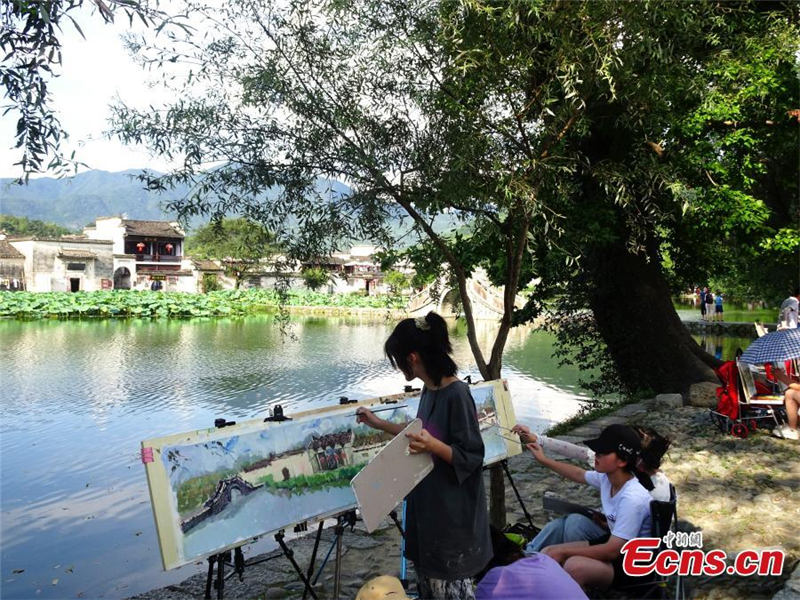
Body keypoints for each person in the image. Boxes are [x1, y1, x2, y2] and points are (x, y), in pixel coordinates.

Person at [356, 312, 491, 600]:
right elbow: (419, 435)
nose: (397, 366)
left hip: (452, 519)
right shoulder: (429, 390)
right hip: (428, 513)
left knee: (449, 591)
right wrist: (378, 424)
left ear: (413, 357)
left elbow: (472, 456)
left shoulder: (457, 394)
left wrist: (434, 446)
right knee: (428, 587)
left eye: (398, 360)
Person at [517, 424, 652, 591]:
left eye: (603, 452)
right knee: (550, 550)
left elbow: (612, 551)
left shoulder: (632, 498)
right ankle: (527, 579)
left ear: (622, 461)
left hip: (633, 565)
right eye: (597, 450)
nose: (597, 454)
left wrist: (565, 552)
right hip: (617, 548)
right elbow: (578, 474)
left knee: (574, 566)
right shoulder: (608, 478)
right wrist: (544, 460)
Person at [511, 424, 672, 501]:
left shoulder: (646, 493)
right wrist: (537, 439)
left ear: (627, 458)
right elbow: (578, 455)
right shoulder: (619, 473)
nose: (597, 455)